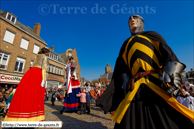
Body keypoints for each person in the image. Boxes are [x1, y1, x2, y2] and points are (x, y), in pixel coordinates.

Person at [97, 14, 194, 128]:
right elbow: (120, 70)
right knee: (129, 121)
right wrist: (123, 87)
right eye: (129, 21)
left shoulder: (153, 36)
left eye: (134, 18)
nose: (131, 20)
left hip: (155, 83)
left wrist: (174, 80)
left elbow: (169, 56)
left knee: (167, 118)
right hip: (134, 87)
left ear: (141, 22)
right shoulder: (126, 44)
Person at [4, 47, 49, 121]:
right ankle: (32, 115)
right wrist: (44, 79)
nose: (48, 54)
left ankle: (16, 114)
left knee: (25, 92)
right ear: (46, 52)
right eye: (48, 52)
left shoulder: (37, 57)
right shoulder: (44, 57)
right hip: (37, 74)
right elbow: (44, 68)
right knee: (35, 94)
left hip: (29, 73)